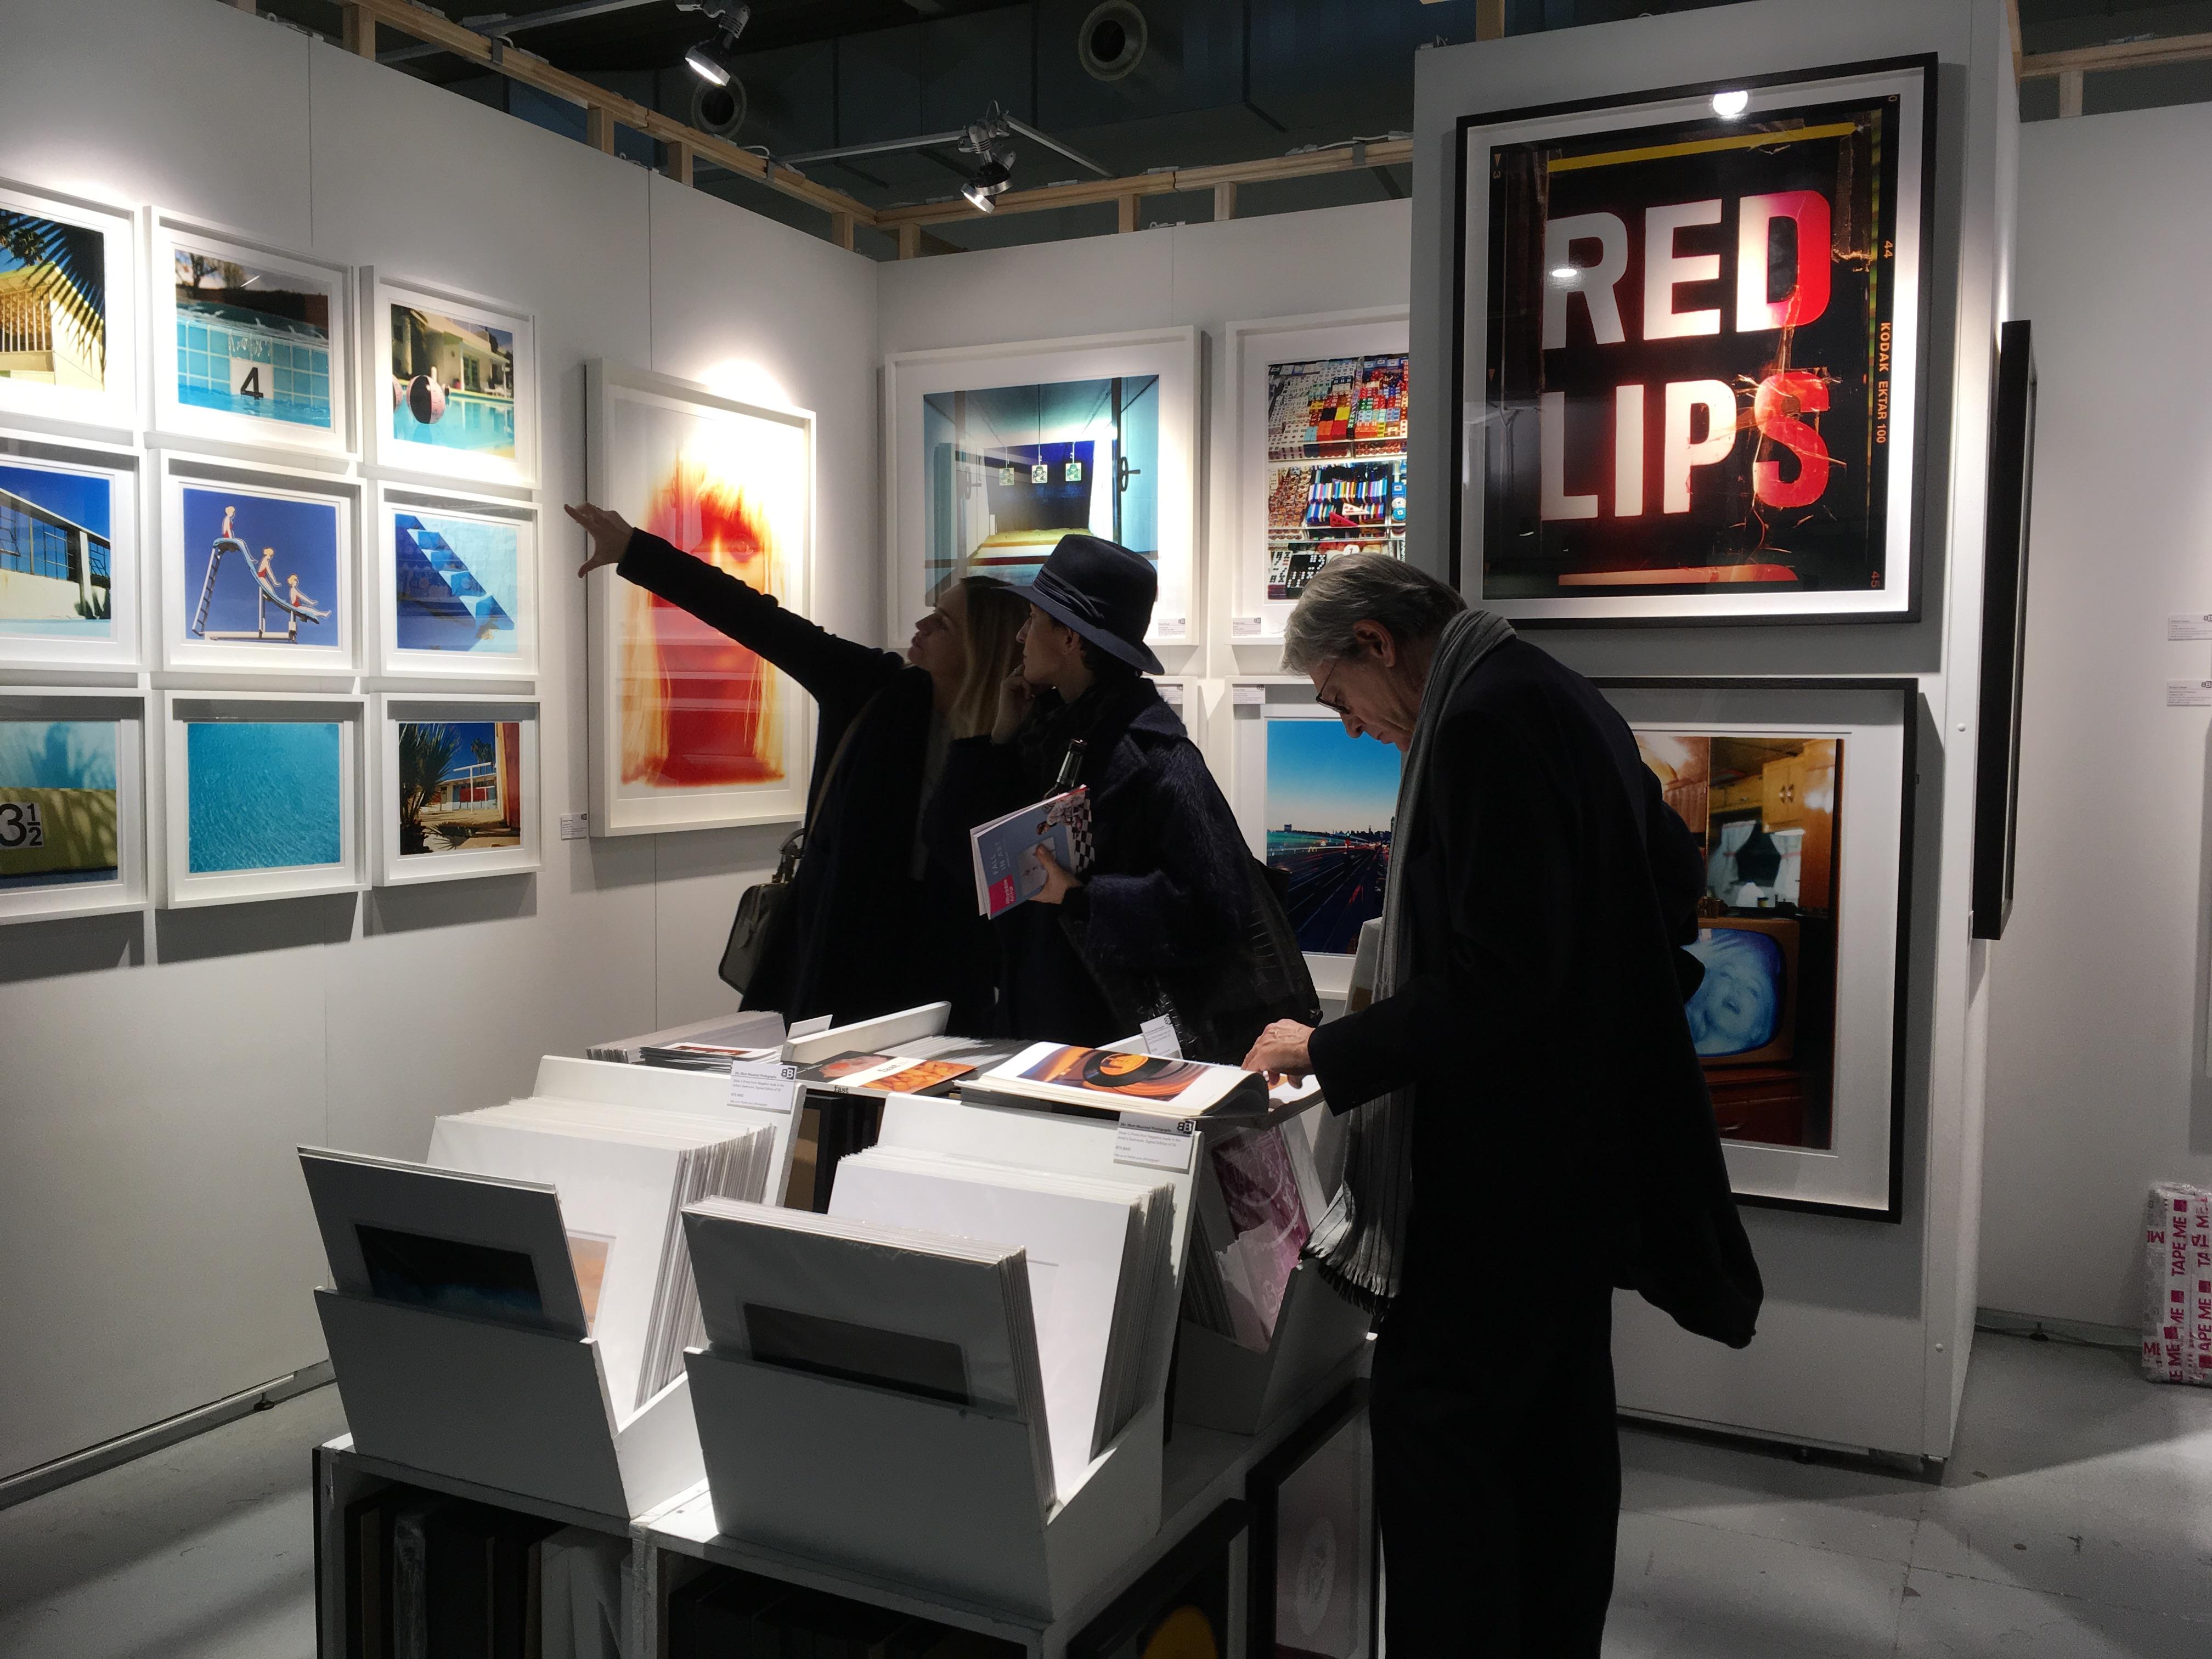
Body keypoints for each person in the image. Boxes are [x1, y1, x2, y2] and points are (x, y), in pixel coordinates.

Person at [1242, 554, 1762, 1658]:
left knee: (1443, 1440)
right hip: (1579, 1160)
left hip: (1508, 1171)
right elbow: (1667, 876)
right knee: (1559, 1436)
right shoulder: (1559, 694)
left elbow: (1497, 977)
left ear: (1379, 643)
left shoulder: (1482, 724)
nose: (1344, 727)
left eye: (1337, 695)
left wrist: (1332, 1047)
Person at [567, 500, 1029, 1032]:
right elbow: (758, 619)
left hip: (947, 994)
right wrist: (635, 551)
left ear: (981, 649)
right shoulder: (871, 689)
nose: (922, 624)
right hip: (839, 974)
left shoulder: (1010, 744)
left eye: (943, 623)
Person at [930, 534, 1290, 1057]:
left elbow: (1215, 909)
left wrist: (1081, 897)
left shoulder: (1156, 754)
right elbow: (958, 855)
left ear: (1072, 640)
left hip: (1117, 1046)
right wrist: (999, 738)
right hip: (1038, 1027)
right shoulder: (1046, 732)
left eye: (1034, 620)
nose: (1021, 636)